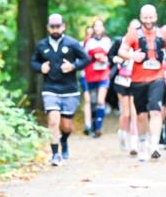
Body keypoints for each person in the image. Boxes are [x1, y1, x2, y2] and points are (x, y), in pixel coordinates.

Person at [30, 13, 90, 166]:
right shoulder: (41, 45)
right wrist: (40, 67)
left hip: (69, 89)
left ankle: (64, 140)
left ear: (63, 27)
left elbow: (86, 59)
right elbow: (33, 62)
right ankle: (55, 154)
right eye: (52, 26)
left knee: (67, 126)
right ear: (48, 28)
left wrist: (73, 66)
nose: (55, 29)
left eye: (58, 26)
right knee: (53, 120)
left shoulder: (72, 43)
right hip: (50, 88)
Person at [119, 5, 166, 162]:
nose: (148, 20)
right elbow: (121, 51)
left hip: (157, 77)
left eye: (151, 17)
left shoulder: (163, 33)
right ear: (141, 17)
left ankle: (154, 145)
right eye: (145, 17)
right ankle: (142, 145)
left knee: (155, 111)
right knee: (141, 115)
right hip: (137, 80)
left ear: (155, 17)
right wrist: (131, 55)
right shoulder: (133, 33)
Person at [109, 19, 140, 154]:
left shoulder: (142, 43)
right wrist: (116, 59)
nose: (135, 31)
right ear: (128, 28)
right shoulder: (119, 42)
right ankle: (122, 135)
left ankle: (134, 143)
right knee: (126, 113)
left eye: (137, 28)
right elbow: (110, 55)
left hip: (135, 81)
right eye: (132, 28)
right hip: (121, 80)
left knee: (134, 113)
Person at [82, 19, 113, 137]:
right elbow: (84, 58)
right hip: (91, 74)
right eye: (96, 26)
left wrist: (105, 59)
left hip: (103, 73)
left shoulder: (107, 41)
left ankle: (99, 127)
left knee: (101, 100)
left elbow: (111, 56)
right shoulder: (89, 42)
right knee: (93, 102)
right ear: (93, 28)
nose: (98, 28)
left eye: (100, 26)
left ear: (103, 28)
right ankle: (93, 126)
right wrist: (94, 58)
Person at [80, 24, 95, 134]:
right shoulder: (81, 45)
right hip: (85, 76)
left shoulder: (98, 45)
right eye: (88, 33)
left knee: (96, 101)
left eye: (92, 34)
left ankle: (95, 123)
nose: (89, 36)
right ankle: (88, 124)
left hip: (96, 76)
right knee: (88, 100)